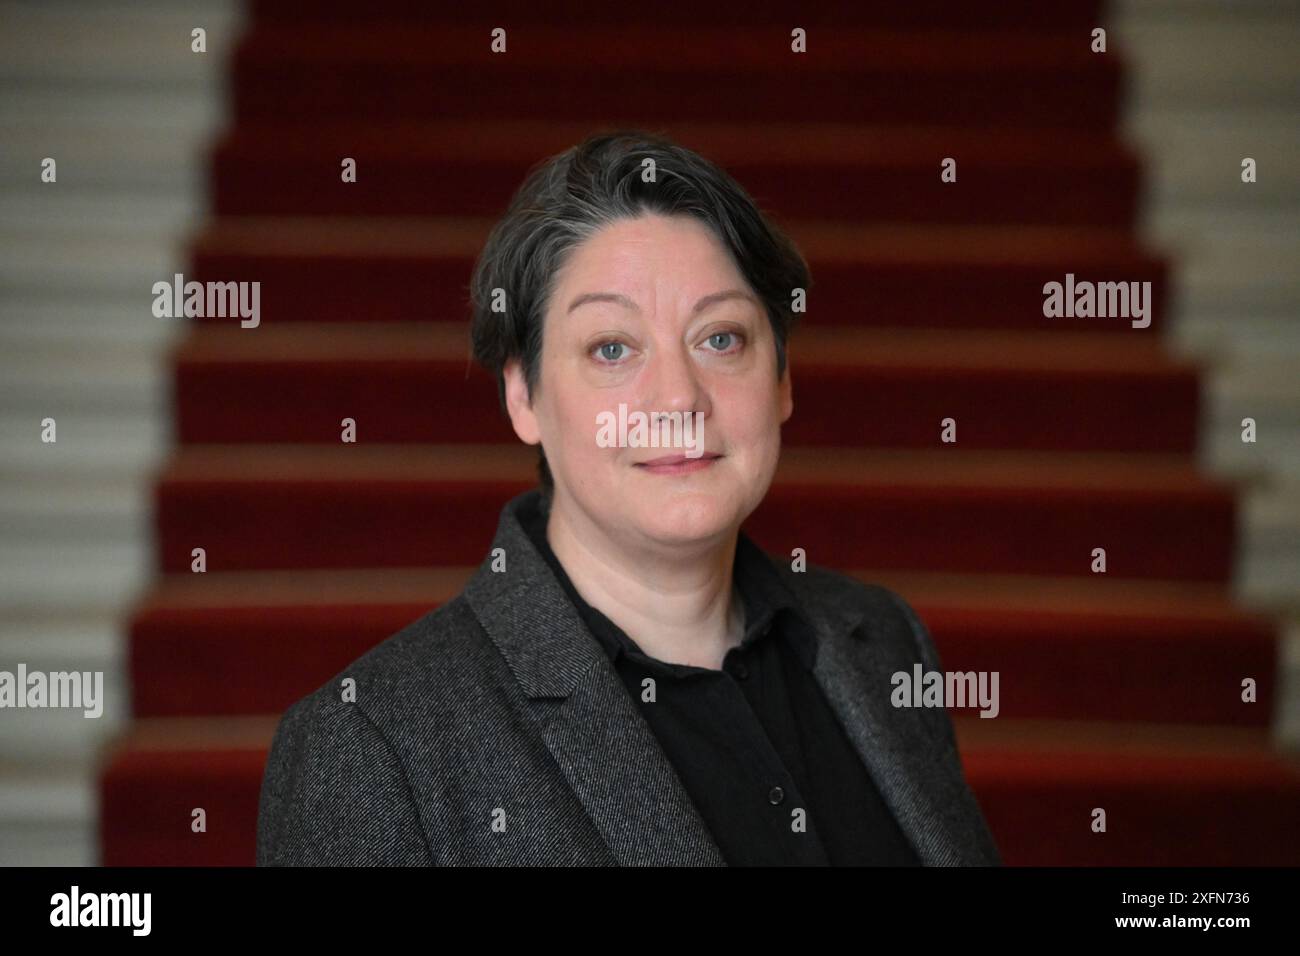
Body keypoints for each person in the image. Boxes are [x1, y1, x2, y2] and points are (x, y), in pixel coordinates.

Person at [256, 130, 1002, 866]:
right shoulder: (373, 747)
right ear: (523, 394)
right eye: (612, 348)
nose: (678, 397)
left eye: (721, 338)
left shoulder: (881, 640)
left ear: (782, 379)